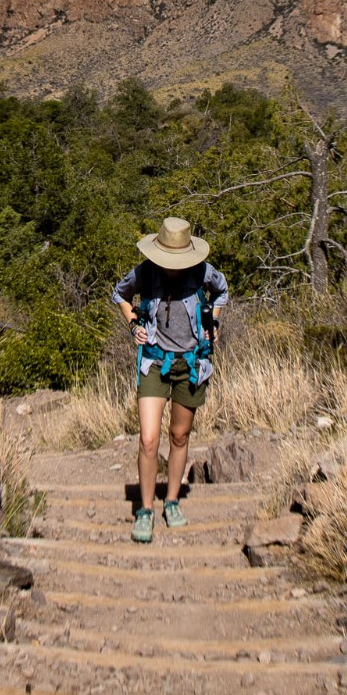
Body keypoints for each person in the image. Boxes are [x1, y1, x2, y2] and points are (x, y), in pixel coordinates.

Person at [113, 216, 229, 544]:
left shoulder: (203, 272)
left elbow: (222, 293)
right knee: (149, 440)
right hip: (154, 361)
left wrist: (214, 323)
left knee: (179, 436)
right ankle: (146, 510)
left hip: (191, 364)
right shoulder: (145, 272)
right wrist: (133, 323)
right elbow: (119, 294)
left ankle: (173, 501)